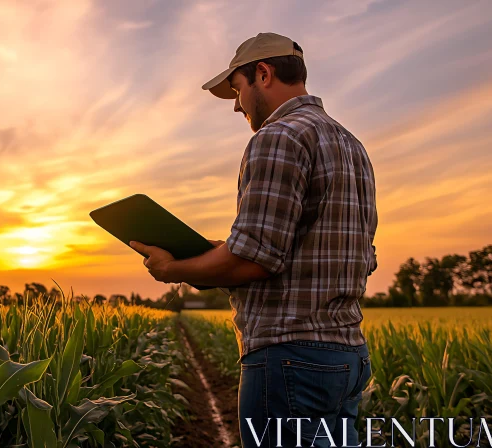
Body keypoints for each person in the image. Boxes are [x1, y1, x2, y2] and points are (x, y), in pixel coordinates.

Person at [129, 32, 377, 447]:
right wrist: (214, 250)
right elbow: (308, 245)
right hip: (347, 356)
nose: (236, 105)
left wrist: (174, 268)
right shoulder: (351, 145)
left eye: (238, 90)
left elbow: (254, 260)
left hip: (290, 357)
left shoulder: (278, 138)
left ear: (263, 74)